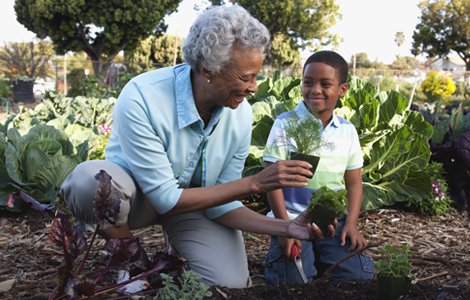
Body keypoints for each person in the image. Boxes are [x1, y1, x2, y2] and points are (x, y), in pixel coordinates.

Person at [60, 5, 337, 289]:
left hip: (193, 207)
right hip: (136, 201)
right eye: (245, 77)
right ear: (207, 69)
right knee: (89, 182)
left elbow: (224, 202)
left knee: (230, 285)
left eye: (256, 76)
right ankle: (131, 261)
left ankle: (175, 251)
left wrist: (288, 227)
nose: (254, 87)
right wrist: (255, 183)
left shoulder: (239, 113)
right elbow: (165, 199)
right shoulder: (143, 96)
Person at [263, 50, 375, 285]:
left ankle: (325, 257)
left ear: (342, 90)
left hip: (333, 223)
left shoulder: (347, 131)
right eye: (308, 82)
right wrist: (285, 229)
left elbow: (353, 183)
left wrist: (352, 224)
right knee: (294, 281)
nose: (315, 90)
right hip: (291, 218)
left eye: (325, 84)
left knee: (360, 278)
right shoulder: (285, 123)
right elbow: (270, 181)